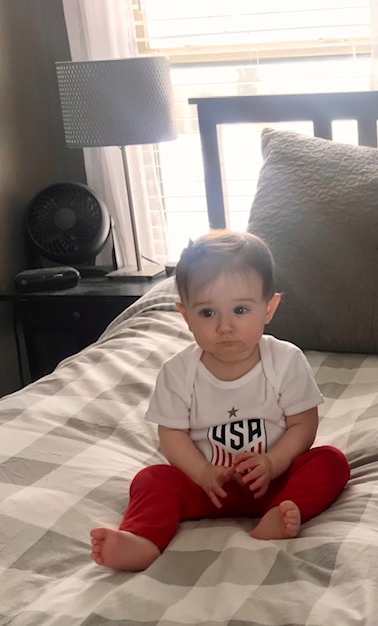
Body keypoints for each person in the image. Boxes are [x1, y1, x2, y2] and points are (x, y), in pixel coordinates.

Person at [90, 230, 350, 571]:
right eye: (208, 313)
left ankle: (283, 513)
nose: (225, 326)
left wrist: (273, 462)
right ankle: (142, 539)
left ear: (269, 308)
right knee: (151, 479)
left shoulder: (285, 360)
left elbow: (303, 424)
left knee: (331, 461)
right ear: (185, 316)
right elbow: (171, 434)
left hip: (274, 481)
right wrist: (201, 472)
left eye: (240, 310)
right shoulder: (178, 372)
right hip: (208, 488)